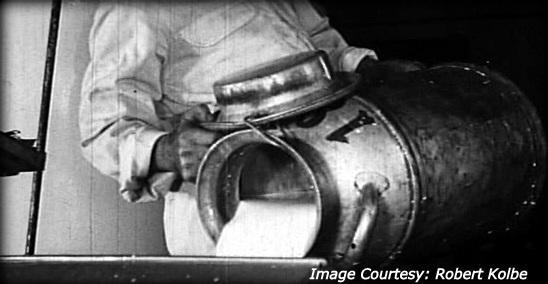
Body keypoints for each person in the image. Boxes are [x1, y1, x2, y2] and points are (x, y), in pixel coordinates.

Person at [79, 0, 381, 256]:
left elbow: (323, 45)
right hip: (230, 212)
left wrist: (368, 68)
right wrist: (167, 150)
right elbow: (102, 127)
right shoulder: (133, 8)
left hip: (327, 182)